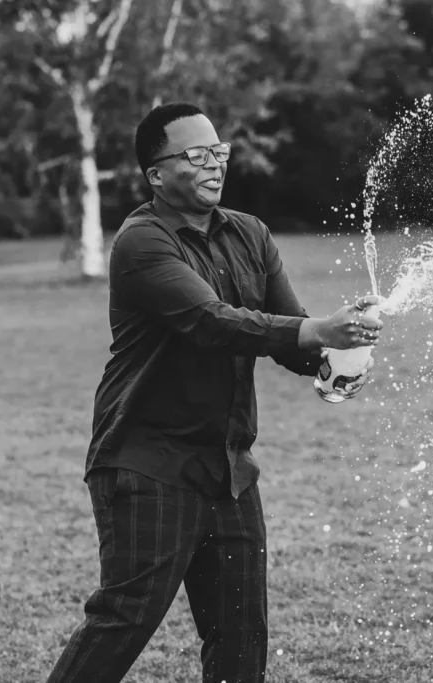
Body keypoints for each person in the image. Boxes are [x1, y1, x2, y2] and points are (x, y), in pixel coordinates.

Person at [46, 102, 385, 683]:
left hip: (229, 471)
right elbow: (211, 322)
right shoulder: (141, 242)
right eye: (196, 154)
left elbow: (289, 338)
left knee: (240, 636)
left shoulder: (250, 233)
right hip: (148, 463)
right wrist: (318, 330)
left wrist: (340, 355)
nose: (214, 163)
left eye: (219, 151)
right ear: (157, 174)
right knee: (124, 620)